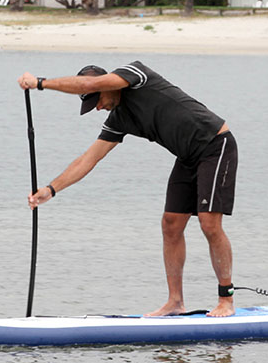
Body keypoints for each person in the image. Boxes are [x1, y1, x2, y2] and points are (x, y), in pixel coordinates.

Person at [18, 62, 238, 317]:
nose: (98, 107)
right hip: (188, 157)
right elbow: (88, 159)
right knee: (170, 224)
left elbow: (89, 84)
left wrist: (40, 83)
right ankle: (175, 302)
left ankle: (226, 300)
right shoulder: (119, 119)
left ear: (107, 83)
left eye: (97, 100)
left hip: (215, 145)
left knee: (209, 223)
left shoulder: (136, 75)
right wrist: (51, 189)